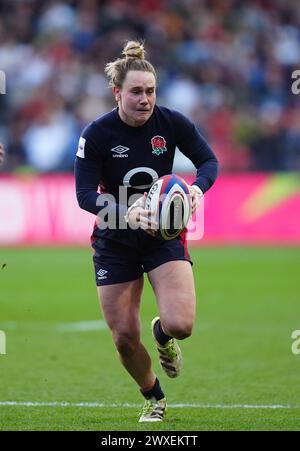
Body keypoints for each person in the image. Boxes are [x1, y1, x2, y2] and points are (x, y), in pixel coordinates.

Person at [75, 40, 218, 422]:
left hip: (164, 235)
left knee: (181, 325)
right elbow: (84, 194)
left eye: (151, 91)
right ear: (117, 93)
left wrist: (196, 189)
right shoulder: (97, 133)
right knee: (123, 335)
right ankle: (154, 396)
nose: (145, 99)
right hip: (115, 237)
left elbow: (207, 160)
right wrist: (126, 213)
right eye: (136, 92)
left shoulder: (172, 122)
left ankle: (163, 336)